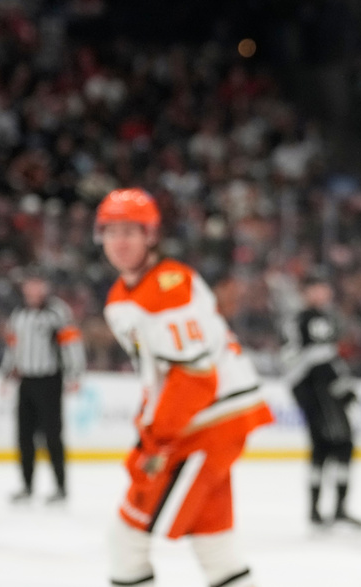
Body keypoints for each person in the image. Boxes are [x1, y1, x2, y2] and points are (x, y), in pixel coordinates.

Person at [95, 188, 272, 587]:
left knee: (127, 540)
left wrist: (155, 440)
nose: (120, 241)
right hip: (209, 418)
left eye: (131, 231)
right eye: (111, 231)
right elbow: (164, 373)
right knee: (215, 545)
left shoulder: (169, 288)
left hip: (207, 422)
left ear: (151, 235)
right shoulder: (125, 294)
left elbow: (195, 377)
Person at [282, 273, 361, 528]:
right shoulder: (312, 318)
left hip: (314, 390)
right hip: (320, 391)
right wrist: (341, 387)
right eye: (317, 287)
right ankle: (334, 509)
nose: (322, 292)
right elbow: (320, 358)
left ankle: (319, 511)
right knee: (342, 445)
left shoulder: (308, 318)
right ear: (307, 291)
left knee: (322, 448)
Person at [0, 267, 85, 504]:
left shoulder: (57, 312)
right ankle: (27, 486)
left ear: (45, 287)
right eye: (30, 284)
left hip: (50, 380)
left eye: (38, 283)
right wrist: (6, 373)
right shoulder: (18, 314)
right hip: (26, 381)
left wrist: (75, 374)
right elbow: (12, 347)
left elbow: (71, 344)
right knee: (24, 436)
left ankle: (60, 487)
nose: (34, 289)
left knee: (52, 435)